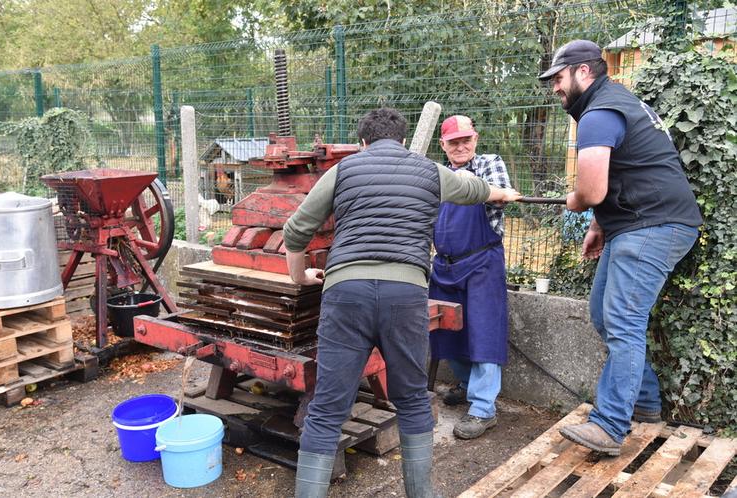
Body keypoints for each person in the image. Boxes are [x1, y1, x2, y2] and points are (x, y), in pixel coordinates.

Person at [283, 107, 521, 497]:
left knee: (327, 407)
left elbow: (296, 230)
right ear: (403, 140)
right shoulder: (429, 170)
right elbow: (477, 189)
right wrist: (505, 193)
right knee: (410, 399)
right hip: (407, 295)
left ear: (363, 142)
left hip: (346, 293)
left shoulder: (343, 170)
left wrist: (300, 276)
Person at [539, 40, 702, 456]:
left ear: (583, 72)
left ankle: (610, 426)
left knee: (623, 319)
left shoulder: (599, 112)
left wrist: (579, 203)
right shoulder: (615, 102)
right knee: (603, 314)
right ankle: (645, 404)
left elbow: (591, 188)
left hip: (654, 225)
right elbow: (627, 171)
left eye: (558, 78)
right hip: (636, 224)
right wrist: (599, 225)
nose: (554, 88)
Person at [428, 115, 512, 440]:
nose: (461, 146)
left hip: (482, 263)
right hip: (444, 266)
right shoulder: (434, 175)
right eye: (454, 142)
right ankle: (466, 384)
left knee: (484, 332)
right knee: (446, 332)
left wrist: (460, 180)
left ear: (475, 139)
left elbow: (498, 192)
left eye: (466, 140)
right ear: (443, 145)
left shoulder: (489, 164)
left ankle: (483, 409)